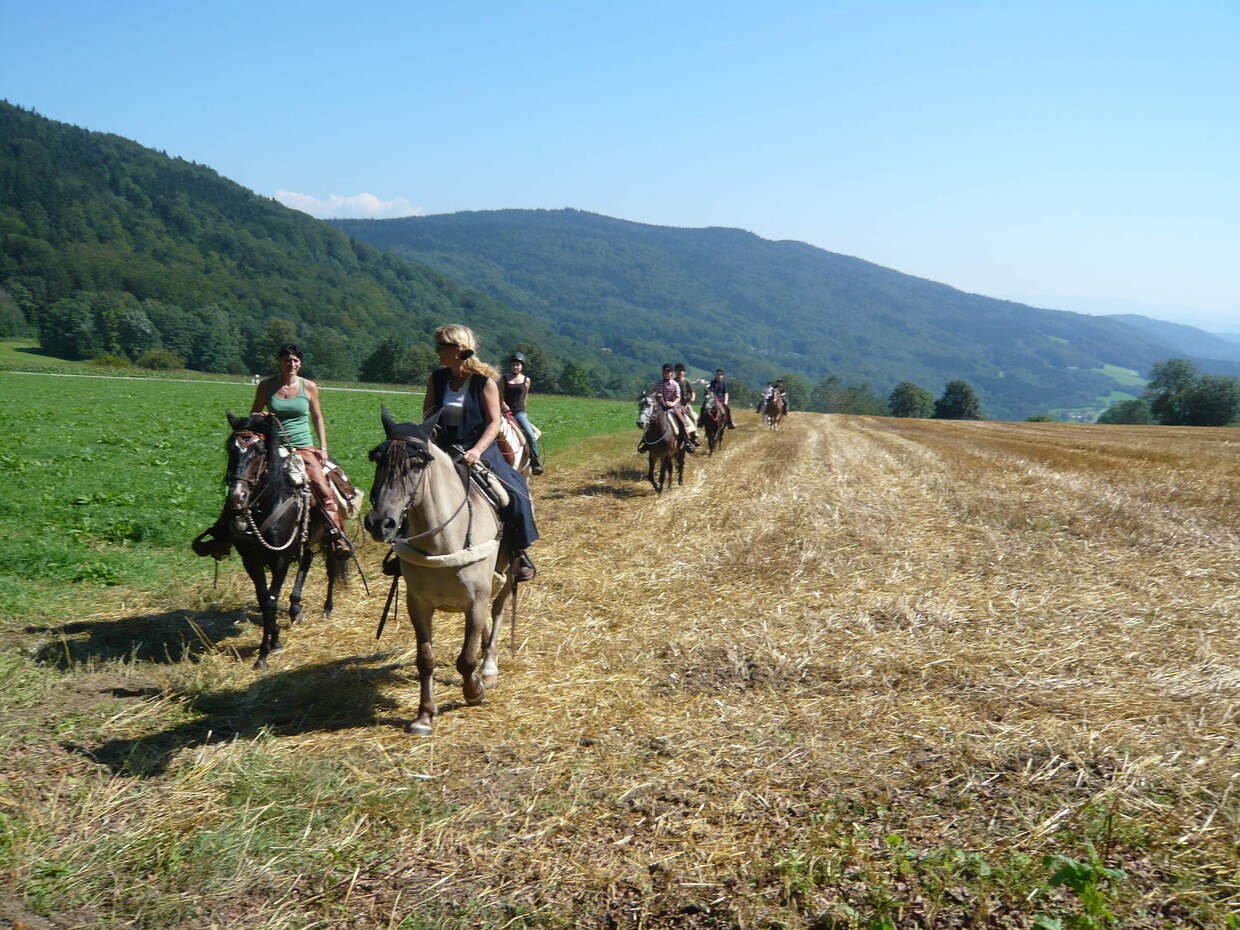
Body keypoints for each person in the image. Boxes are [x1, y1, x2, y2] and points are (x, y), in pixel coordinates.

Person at [193, 342, 352, 559]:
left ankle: (336, 536)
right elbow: (254, 415)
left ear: (300, 363)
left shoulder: (309, 387)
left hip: (302, 447)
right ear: (280, 362)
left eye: (295, 360)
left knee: (322, 488)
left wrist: (323, 448)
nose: (291, 364)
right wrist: (262, 417)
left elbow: (317, 417)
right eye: (287, 360)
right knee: (242, 483)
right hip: (272, 446)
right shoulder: (267, 386)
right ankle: (223, 536)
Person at [423, 325, 539, 582]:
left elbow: (494, 423)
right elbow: (428, 417)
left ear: (459, 349)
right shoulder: (437, 379)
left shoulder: (484, 382)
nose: (437, 351)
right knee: (407, 487)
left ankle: (519, 551)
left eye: (442, 346)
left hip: (479, 449)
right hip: (442, 449)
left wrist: (476, 450)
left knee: (515, 492)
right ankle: (403, 547)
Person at [501, 351, 544, 475]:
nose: (515, 367)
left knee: (530, 435)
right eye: (513, 365)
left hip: (519, 413)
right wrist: (504, 407)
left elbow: (524, 397)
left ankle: (535, 461)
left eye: (518, 365)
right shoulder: (504, 379)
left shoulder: (526, 380)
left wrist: (524, 412)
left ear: (522, 366)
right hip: (505, 412)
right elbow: (499, 396)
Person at [648, 363, 697, 452]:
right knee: (649, 420)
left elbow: (678, 397)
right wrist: (656, 395)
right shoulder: (657, 383)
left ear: (671, 373)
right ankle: (645, 441)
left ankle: (687, 441)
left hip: (673, 406)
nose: (666, 374)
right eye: (665, 372)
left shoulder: (675, 384)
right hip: (659, 406)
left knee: (681, 420)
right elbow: (652, 393)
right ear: (662, 372)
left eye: (668, 372)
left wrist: (673, 403)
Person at [673, 363, 701, 446]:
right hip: (675, 404)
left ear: (684, 372)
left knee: (693, 417)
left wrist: (693, 397)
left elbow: (692, 392)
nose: (680, 372)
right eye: (678, 371)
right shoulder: (673, 381)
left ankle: (694, 436)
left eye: (682, 371)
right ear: (675, 371)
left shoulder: (686, 381)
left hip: (685, 404)